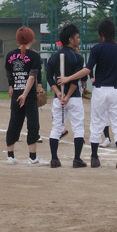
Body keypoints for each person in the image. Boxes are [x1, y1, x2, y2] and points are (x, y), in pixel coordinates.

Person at [58, 19, 117, 170]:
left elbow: (87, 69)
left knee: (97, 122)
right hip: (115, 90)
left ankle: (94, 158)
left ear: (101, 34)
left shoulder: (97, 48)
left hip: (99, 90)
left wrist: (68, 78)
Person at [46, 23, 87, 168]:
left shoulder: (53, 57)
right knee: (78, 127)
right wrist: (67, 96)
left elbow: (49, 77)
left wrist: (58, 93)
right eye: (77, 37)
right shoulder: (77, 57)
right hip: (73, 97)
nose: (79, 40)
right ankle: (77, 159)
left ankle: (54, 159)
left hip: (59, 99)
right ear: (71, 39)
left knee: (57, 127)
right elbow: (75, 80)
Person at [4, 26, 47, 165]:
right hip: (28, 95)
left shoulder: (10, 55)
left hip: (16, 93)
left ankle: (10, 156)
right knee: (32, 124)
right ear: (31, 39)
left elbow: (9, 74)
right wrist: (25, 94)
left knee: (14, 123)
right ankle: (32, 157)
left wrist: (12, 86)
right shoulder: (34, 55)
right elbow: (32, 77)